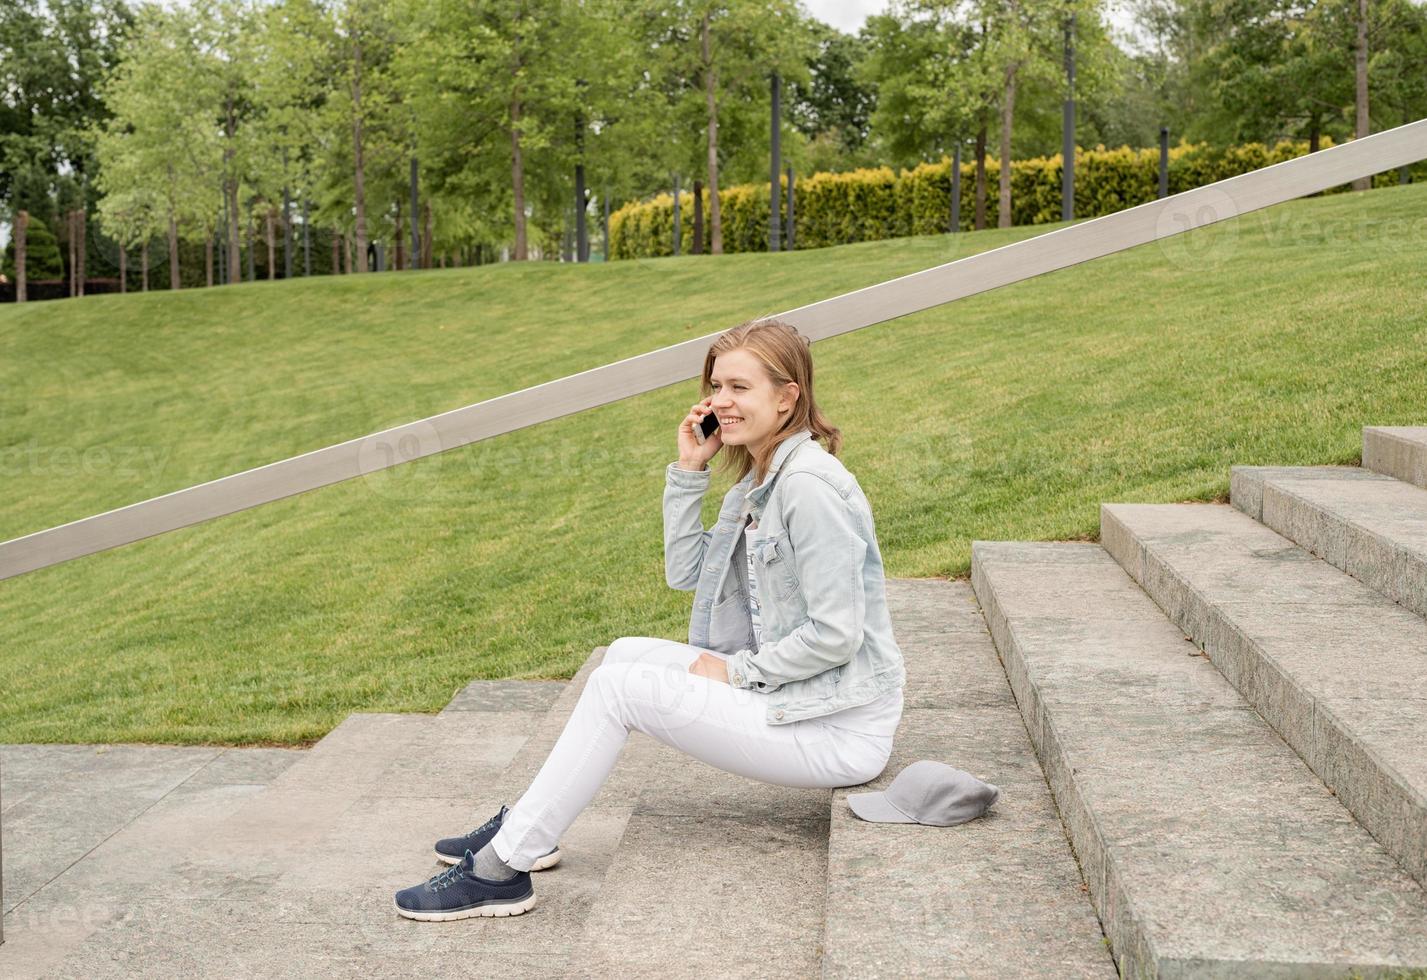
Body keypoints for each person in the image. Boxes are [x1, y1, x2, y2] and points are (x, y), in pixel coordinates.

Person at [393, 318, 907, 921]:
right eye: (717, 386)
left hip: (837, 727)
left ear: (787, 395)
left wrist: (739, 673)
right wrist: (689, 469)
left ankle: (503, 870)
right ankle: (532, 822)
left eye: (739, 388)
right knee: (624, 653)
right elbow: (689, 573)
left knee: (620, 690)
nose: (720, 402)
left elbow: (836, 635)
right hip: (804, 699)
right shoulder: (762, 480)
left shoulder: (809, 488)